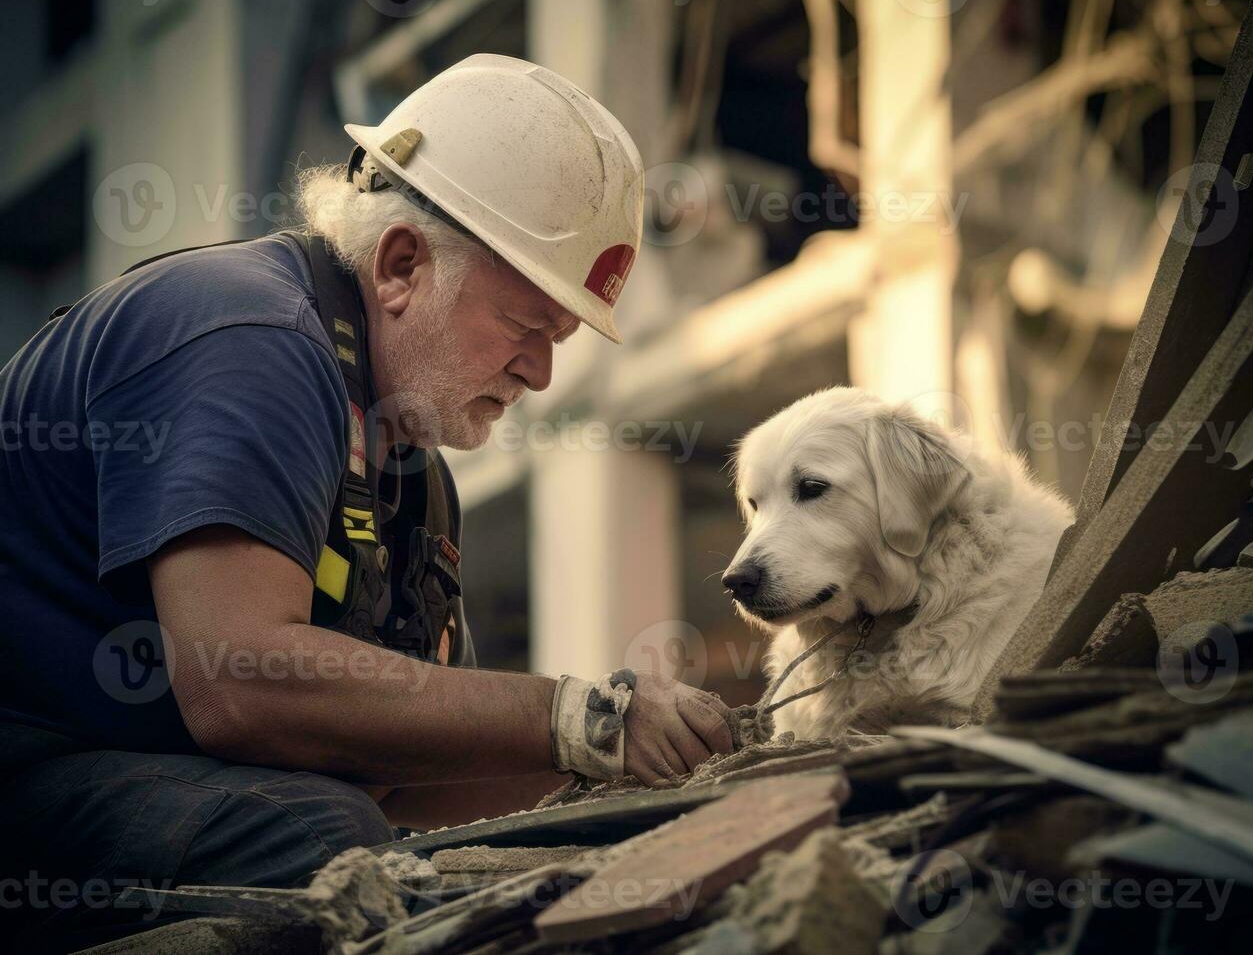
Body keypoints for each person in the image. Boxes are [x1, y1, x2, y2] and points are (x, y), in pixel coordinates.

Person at [0, 54, 733, 948]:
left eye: (558, 339)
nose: (539, 373)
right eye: (524, 325)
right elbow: (239, 682)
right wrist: (576, 717)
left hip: (109, 788)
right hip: (22, 780)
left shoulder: (414, 478)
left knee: (492, 850)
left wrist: (629, 782)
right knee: (321, 841)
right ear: (398, 265)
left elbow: (410, 770)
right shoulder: (248, 340)